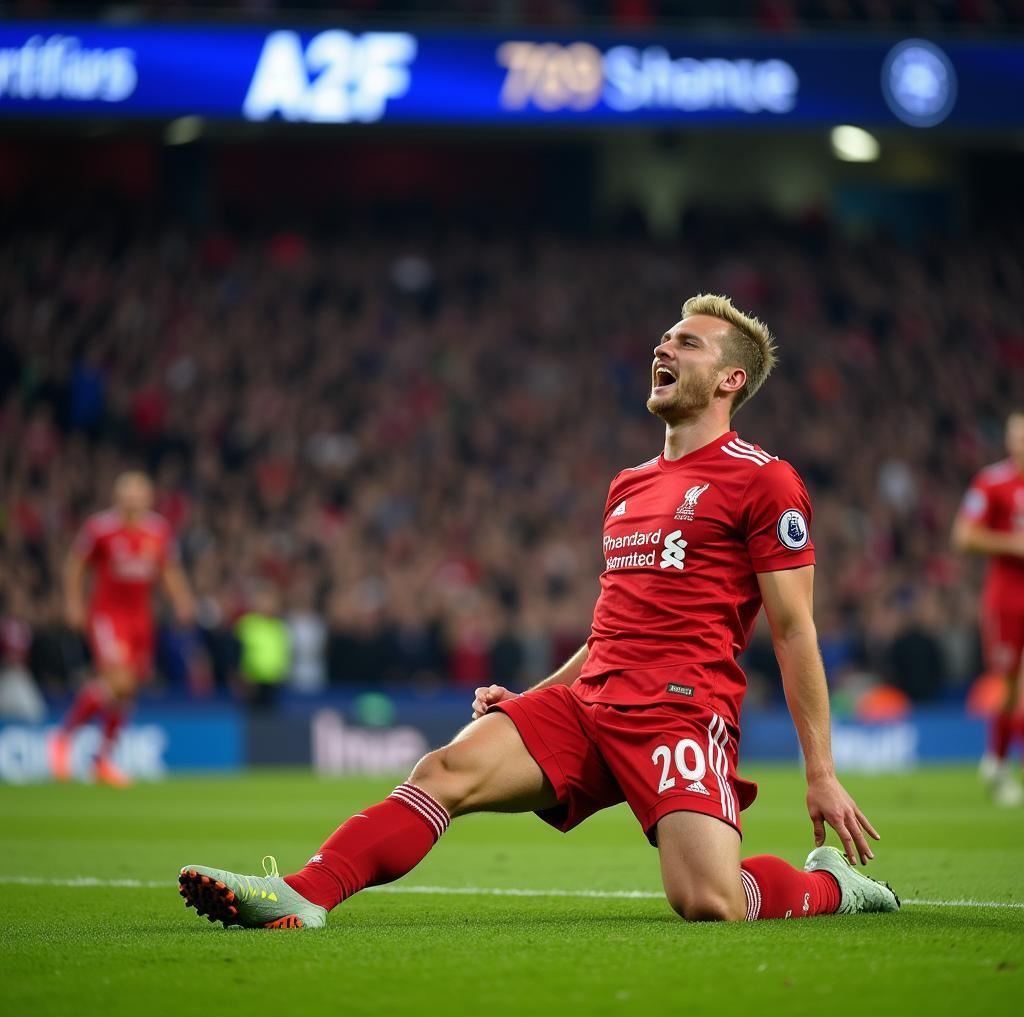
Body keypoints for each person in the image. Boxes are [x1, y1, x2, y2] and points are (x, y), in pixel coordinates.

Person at [179, 295, 899, 928]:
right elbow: (612, 628)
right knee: (444, 770)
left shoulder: (764, 480)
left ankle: (829, 885)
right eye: (664, 339)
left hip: (680, 709)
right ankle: (303, 896)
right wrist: (539, 697)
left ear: (731, 379)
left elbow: (795, 628)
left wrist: (821, 771)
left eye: (687, 342)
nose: (663, 347)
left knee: (709, 902)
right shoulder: (628, 486)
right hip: (590, 704)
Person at [49, 471, 194, 785]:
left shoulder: (158, 531)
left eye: (138, 495)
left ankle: (102, 760)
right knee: (118, 679)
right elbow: (76, 565)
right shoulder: (100, 529)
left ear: (148, 498)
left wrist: (182, 599)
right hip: (107, 615)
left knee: (127, 690)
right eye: (127, 494)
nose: (133, 500)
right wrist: (74, 603)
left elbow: (168, 569)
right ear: (118, 497)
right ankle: (62, 738)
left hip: (141, 618)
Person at [952, 410, 1024, 807]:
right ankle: (996, 763)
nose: (1020, 443)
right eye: (1016, 436)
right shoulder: (993, 483)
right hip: (1008, 599)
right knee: (1011, 687)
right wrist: (1014, 544)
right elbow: (963, 536)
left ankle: (997, 763)